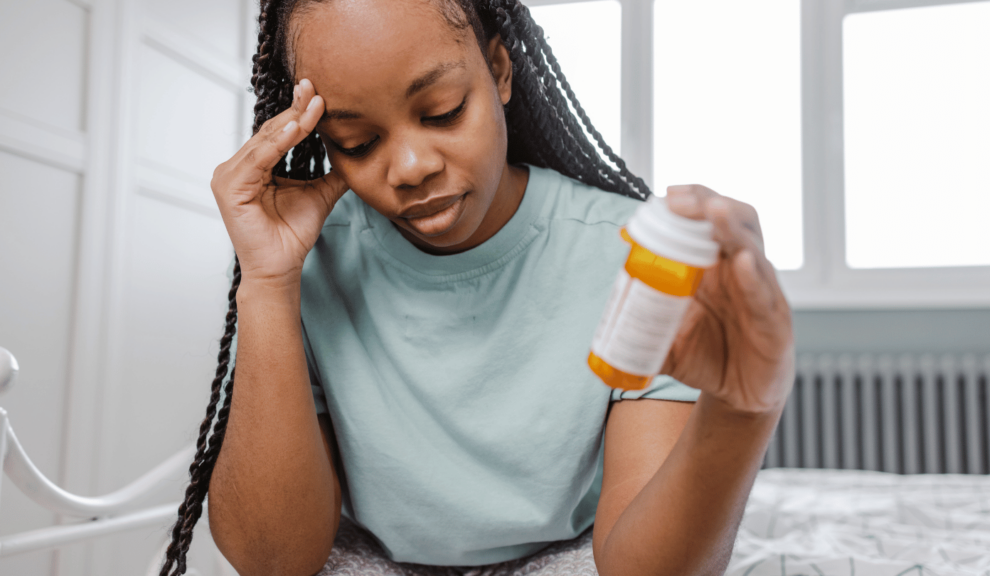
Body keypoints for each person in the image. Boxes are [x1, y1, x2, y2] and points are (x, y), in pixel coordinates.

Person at [158, 0, 794, 574]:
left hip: (569, 553)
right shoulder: (307, 262)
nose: (410, 168)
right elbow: (272, 562)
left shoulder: (631, 257)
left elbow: (642, 569)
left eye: (442, 112)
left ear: (500, 71)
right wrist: (267, 284)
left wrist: (743, 412)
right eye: (357, 142)